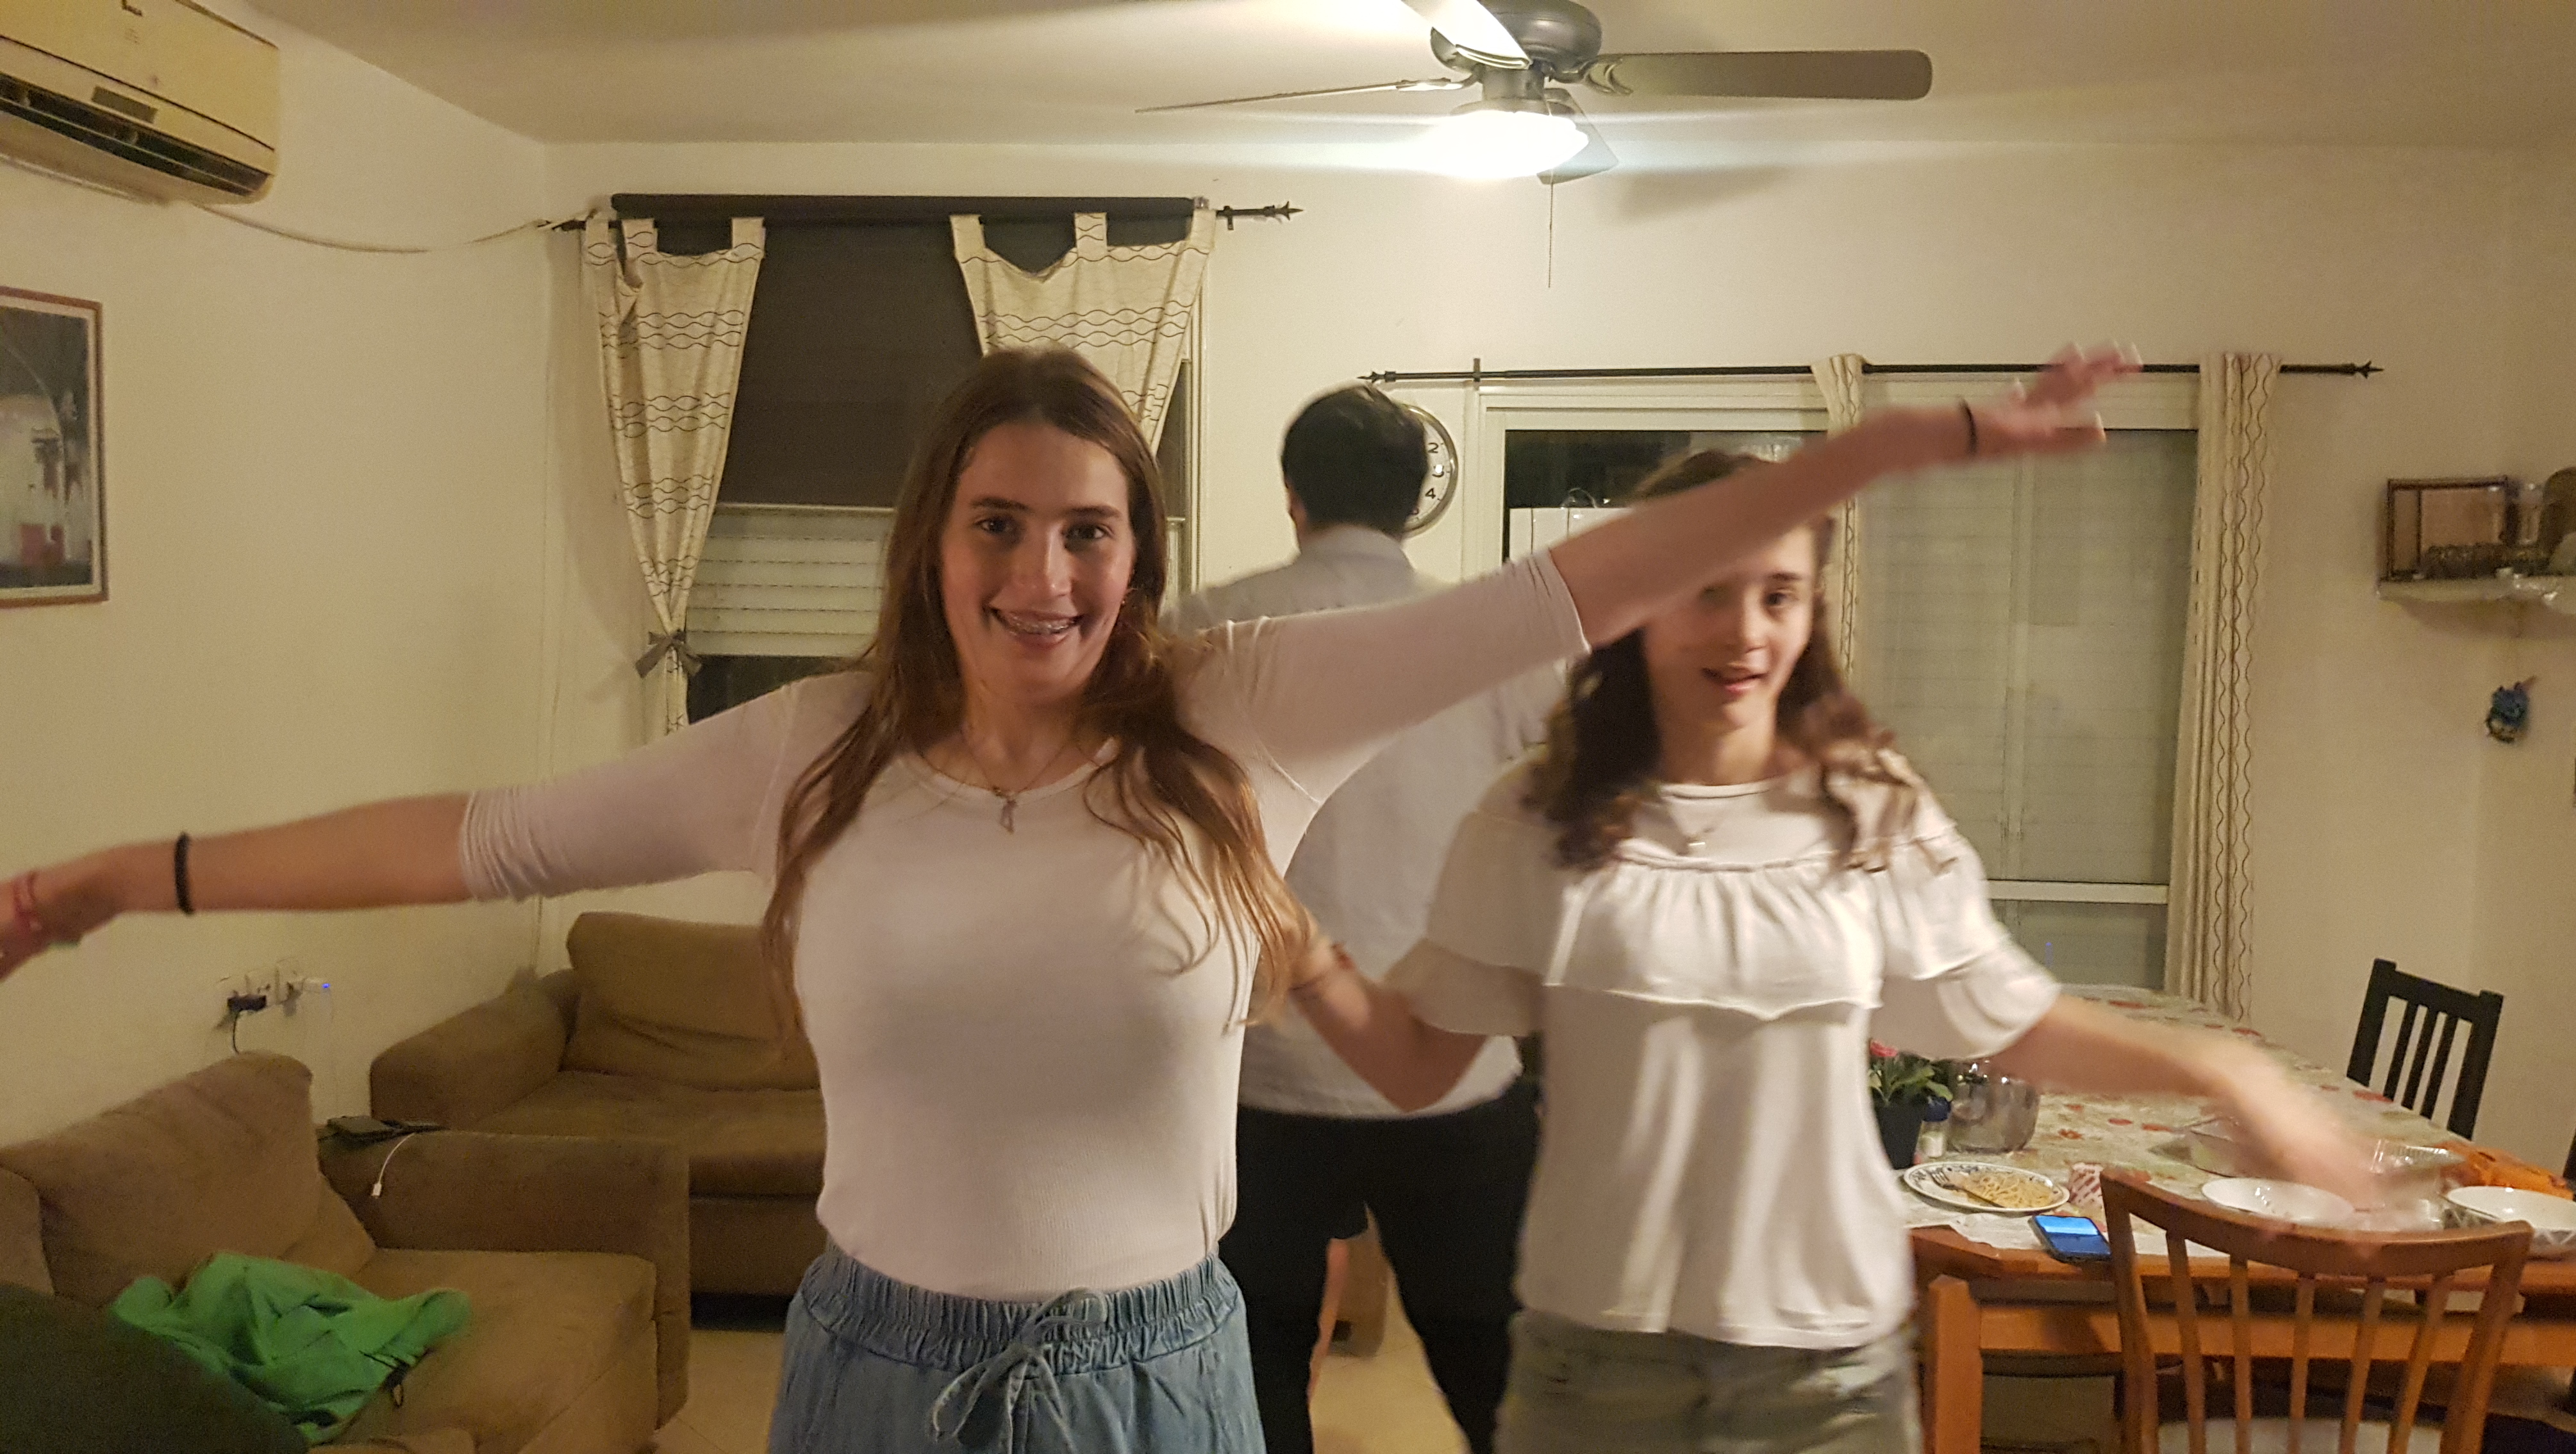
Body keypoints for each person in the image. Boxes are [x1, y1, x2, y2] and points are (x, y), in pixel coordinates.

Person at [0, 345, 2138, 1453]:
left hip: (1152, 1370)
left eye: (1090, 530)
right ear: (934, 537)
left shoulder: (1248, 706)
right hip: (868, 1361)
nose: (1045, 577)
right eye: (1001, 525)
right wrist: (130, 876)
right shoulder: (808, 745)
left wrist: (1904, 444)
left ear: (1145, 545)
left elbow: (1583, 580)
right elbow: (474, 836)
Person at [1280, 447, 2377, 1454]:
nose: (1745, 634)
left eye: (1778, 595)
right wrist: (1299, 950)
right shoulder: (1538, 814)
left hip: (1826, 1375)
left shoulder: (1867, 809)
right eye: (1707, 591)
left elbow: (2010, 1021)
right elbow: (1419, 1062)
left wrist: (2227, 1070)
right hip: (1595, 1363)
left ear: (1813, 610)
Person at [1172, 384, 1558, 1454]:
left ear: (1292, 495)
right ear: (1414, 501)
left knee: (1253, 1369)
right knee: (1502, 1375)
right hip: (1455, 1067)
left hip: (1262, 1072)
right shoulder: (1489, 636)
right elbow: (1582, 789)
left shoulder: (1201, 631)